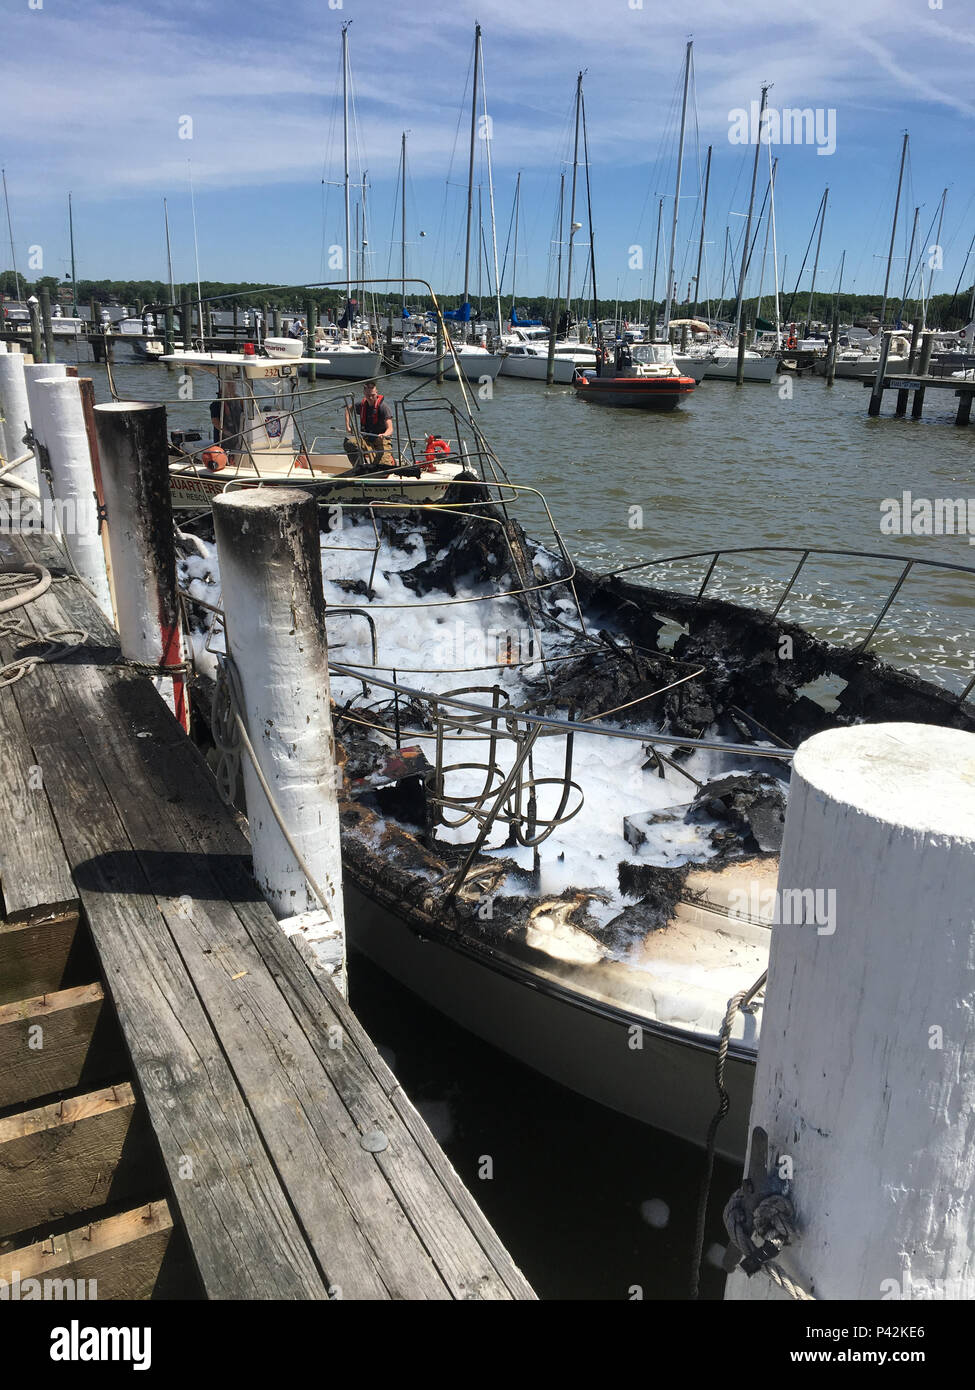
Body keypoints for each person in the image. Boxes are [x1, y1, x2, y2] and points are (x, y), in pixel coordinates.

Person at [344, 382, 393, 473]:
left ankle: (387, 462)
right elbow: (348, 408)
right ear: (364, 393)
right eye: (368, 395)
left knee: (382, 471)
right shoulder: (362, 405)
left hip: (381, 441)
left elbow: (390, 428)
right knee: (349, 442)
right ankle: (360, 468)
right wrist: (348, 425)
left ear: (377, 393)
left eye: (373, 395)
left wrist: (384, 434)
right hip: (366, 439)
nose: (370, 398)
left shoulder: (383, 407)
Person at [209, 377, 244, 461]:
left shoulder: (239, 400)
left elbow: (246, 412)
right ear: (223, 388)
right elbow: (215, 421)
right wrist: (225, 432)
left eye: (233, 386)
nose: (233, 388)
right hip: (223, 437)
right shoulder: (216, 404)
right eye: (230, 386)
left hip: (237, 432)